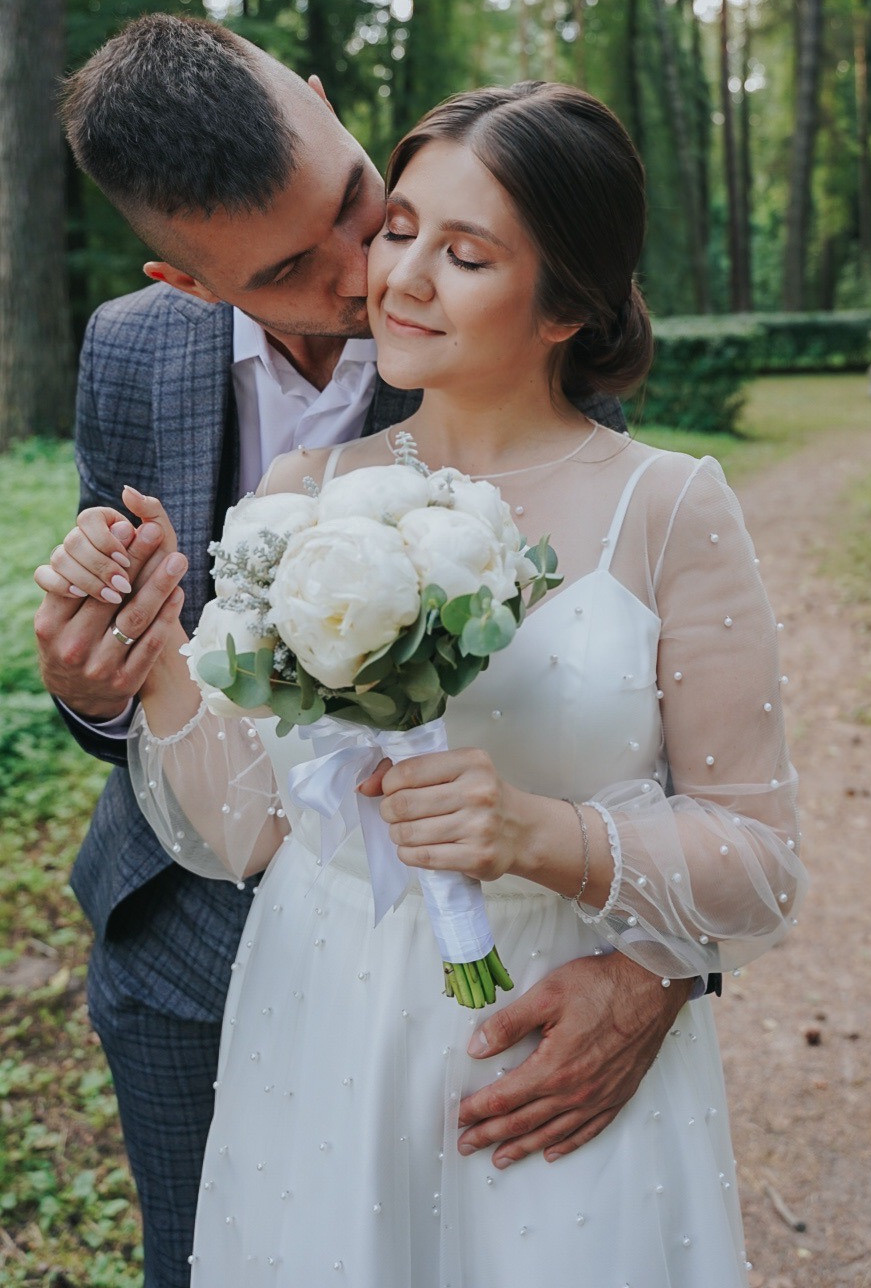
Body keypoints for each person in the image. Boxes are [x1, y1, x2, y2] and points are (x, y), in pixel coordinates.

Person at [41, 81, 807, 1286]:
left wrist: (543, 833)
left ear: (563, 308)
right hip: (316, 1019)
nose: (393, 277)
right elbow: (245, 825)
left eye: (465, 254)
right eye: (398, 228)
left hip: (546, 1025)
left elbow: (761, 862)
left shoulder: (668, 505)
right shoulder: (300, 489)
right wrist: (143, 660)